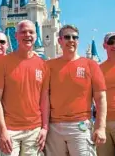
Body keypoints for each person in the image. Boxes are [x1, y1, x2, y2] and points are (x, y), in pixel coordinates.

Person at [45, 24, 107, 156]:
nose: (71, 40)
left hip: (80, 126)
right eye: (67, 37)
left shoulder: (91, 65)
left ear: (78, 41)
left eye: (75, 37)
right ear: (59, 40)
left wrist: (101, 127)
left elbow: (101, 98)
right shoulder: (48, 66)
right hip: (54, 127)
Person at [0, 20, 49, 156]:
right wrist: (3, 130)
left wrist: (45, 128)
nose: (27, 35)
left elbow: (44, 99)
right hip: (10, 130)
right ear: (16, 36)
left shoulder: (43, 65)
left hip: (34, 130)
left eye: (31, 32)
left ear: (35, 36)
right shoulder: (3, 63)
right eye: (23, 32)